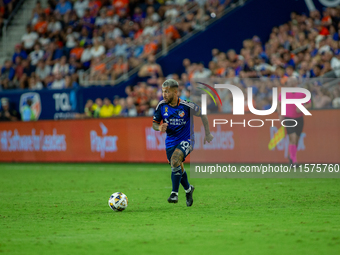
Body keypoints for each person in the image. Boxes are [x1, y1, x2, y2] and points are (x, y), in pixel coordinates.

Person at [152, 79, 214, 206]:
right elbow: (154, 123)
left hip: (187, 140)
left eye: (167, 92)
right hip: (170, 142)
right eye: (163, 92)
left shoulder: (187, 106)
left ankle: (174, 194)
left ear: (175, 92)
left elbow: (203, 114)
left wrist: (207, 133)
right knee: (177, 166)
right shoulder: (161, 106)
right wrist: (159, 127)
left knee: (175, 160)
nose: (164, 95)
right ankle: (188, 189)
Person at [277, 78, 311, 166]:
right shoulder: (283, 93)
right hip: (288, 118)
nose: (290, 84)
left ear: (295, 83)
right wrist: (280, 115)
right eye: (289, 82)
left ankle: (291, 157)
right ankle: (295, 161)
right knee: (293, 138)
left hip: (299, 118)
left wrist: (302, 108)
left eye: (292, 82)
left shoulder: (302, 92)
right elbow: (279, 104)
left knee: (296, 140)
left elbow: (309, 103)